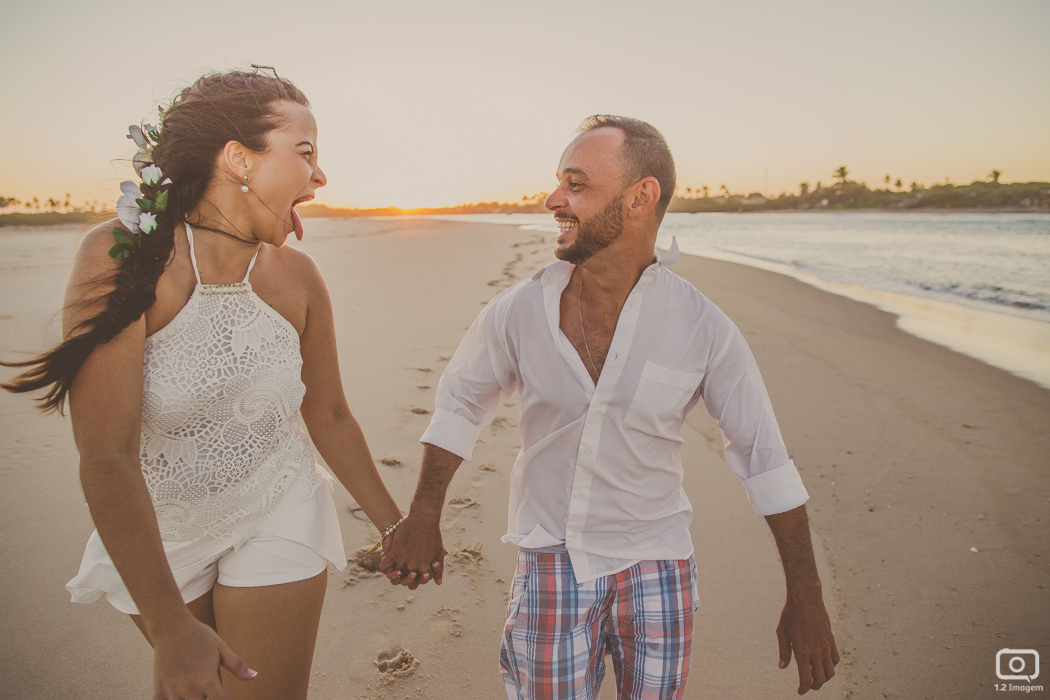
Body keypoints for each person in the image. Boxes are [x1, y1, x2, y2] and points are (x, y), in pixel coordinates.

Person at [380, 115, 839, 698]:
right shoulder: (516, 311)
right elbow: (460, 405)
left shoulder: (703, 327)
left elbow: (763, 458)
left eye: (576, 184)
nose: (553, 199)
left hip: (659, 565)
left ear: (640, 197)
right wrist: (424, 516)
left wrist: (807, 597)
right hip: (549, 560)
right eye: (558, 182)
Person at [1, 69, 407, 700]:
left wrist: (393, 524)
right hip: (161, 530)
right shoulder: (122, 257)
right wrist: (168, 627)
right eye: (305, 154)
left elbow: (327, 414)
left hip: (279, 507)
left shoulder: (298, 277)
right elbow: (107, 456)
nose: (320, 176)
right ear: (239, 158)